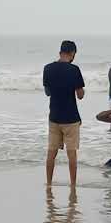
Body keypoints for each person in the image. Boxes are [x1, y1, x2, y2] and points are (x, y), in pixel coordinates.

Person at [43, 40, 85, 187]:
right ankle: (73, 184)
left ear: (60, 51)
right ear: (72, 53)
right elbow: (80, 95)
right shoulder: (74, 70)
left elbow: (47, 92)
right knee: (71, 152)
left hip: (54, 116)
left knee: (51, 152)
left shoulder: (47, 68)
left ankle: (49, 183)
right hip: (71, 118)